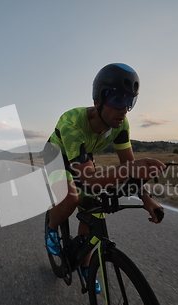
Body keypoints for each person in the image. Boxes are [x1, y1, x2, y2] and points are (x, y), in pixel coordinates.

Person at [44, 63, 166, 293]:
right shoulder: (72, 124)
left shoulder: (121, 125)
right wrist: (130, 170)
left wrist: (146, 199)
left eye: (130, 102)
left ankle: (84, 263)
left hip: (81, 155)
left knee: (94, 206)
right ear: (98, 100)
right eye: (119, 100)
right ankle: (51, 228)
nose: (124, 110)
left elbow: (128, 166)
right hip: (55, 155)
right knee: (71, 199)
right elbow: (90, 179)